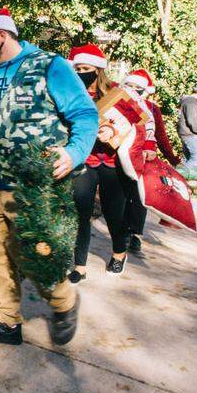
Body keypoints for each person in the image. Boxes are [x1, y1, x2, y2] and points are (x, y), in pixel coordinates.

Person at [0, 8, 97, 347]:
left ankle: (64, 303)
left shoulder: (49, 66)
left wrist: (73, 153)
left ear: (2, 35)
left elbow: (85, 115)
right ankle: (6, 321)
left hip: (33, 189)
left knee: (38, 256)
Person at [66, 44, 134, 281]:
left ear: (99, 70)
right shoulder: (72, 93)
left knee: (113, 212)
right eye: (77, 68)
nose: (81, 73)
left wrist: (112, 132)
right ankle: (80, 267)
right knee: (81, 212)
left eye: (86, 68)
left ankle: (119, 253)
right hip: (85, 160)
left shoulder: (117, 93)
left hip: (112, 163)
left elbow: (133, 124)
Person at [120, 69, 179, 252]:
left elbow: (160, 136)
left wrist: (172, 158)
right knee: (122, 195)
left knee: (139, 197)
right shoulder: (119, 103)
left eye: (137, 87)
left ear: (144, 90)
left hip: (144, 157)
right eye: (129, 86)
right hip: (121, 155)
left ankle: (135, 234)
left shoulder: (152, 108)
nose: (132, 90)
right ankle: (122, 232)